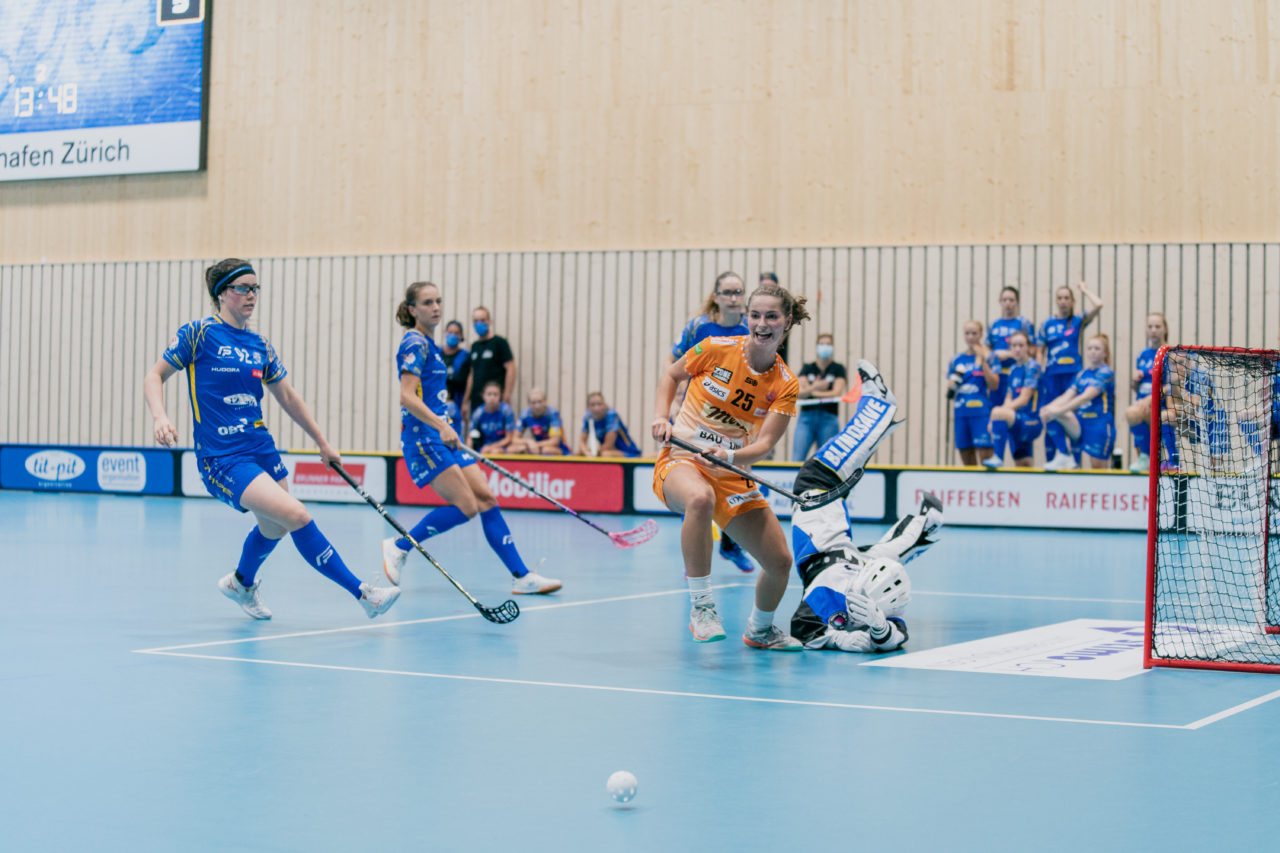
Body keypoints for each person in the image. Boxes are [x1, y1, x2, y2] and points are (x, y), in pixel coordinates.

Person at [142, 258, 401, 620]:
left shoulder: (259, 344)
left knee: (273, 526)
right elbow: (155, 375)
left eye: (255, 288)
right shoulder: (197, 333)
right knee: (296, 514)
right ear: (222, 294)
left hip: (261, 448)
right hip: (222, 458)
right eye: (243, 288)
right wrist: (160, 416)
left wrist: (322, 441)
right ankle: (363, 594)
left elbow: (288, 397)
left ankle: (240, 583)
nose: (252, 295)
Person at [650, 281, 810, 650]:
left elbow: (766, 443)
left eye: (771, 316)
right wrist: (662, 417)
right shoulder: (716, 348)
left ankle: (760, 629)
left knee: (781, 562)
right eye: (755, 315)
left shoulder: (785, 383)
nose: (761, 323)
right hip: (681, 459)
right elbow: (672, 375)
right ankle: (702, 608)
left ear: (786, 322)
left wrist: (732, 457)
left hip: (732, 472)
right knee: (699, 499)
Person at [383, 281, 561, 594]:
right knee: (466, 506)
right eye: (427, 303)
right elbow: (407, 397)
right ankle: (399, 545)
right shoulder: (414, 342)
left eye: (438, 301)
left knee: (486, 499)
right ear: (412, 310)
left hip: (442, 435)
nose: (436, 307)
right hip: (424, 438)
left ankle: (521, 576)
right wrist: (441, 425)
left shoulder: (430, 343)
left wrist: (445, 426)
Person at [667, 271, 757, 573]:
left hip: (734, 421)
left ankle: (731, 547)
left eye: (738, 292)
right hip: (696, 417)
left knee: (738, 483)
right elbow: (673, 364)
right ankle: (693, 558)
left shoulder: (750, 330)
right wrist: (677, 396)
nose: (734, 298)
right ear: (716, 296)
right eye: (728, 292)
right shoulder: (699, 327)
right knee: (694, 485)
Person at [1037, 283, 1104, 462]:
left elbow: (1098, 304)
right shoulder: (1047, 324)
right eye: (1060, 298)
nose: (1063, 301)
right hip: (1052, 376)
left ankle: (1075, 459)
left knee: (1071, 414)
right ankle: (1060, 454)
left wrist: (1084, 290)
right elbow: (1040, 350)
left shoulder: (1077, 320)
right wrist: (1039, 368)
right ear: (1056, 301)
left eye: (1067, 298)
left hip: (1073, 375)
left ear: (1072, 301)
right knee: (1050, 412)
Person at [1039, 334, 1116, 470]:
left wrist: (1059, 410)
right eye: (1090, 348)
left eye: (1097, 348)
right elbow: (1066, 396)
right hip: (1081, 423)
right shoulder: (1082, 374)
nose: (1092, 351)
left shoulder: (1106, 372)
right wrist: (1048, 408)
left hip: (1099, 424)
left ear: (1105, 353)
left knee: (1098, 467)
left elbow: (1085, 397)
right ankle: (1064, 455)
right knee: (1049, 413)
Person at [983, 331, 1043, 468]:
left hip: (1031, 421)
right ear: (1009, 348)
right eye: (1014, 345)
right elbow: (1008, 398)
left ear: (1028, 347)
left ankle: (998, 457)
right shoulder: (1013, 369)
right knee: (1024, 463)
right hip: (1017, 420)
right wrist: (998, 415)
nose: (1017, 349)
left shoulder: (1033, 366)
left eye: (1021, 345)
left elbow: (1024, 399)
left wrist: (997, 414)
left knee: (997, 412)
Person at [945, 320, 1000, 466]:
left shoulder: (990, 356)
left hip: (981, 413)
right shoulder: (957, 359)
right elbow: (950, 389)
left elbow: (994, 385)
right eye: (967, 333)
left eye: (974, 333)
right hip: (961, 412)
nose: (970, 337)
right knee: (966, 455)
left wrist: (983, 361)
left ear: (981, 334)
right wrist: (951, 385)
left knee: (985, 457)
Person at [1123, 313, 1168, 473]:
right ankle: (1146, 457)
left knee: (1132, 413)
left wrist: (1151, 398)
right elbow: (1137, 388)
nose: (1153, 330)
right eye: (1150, 327)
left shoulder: (1168, 354)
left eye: (1157, 326)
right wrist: (1135, 381)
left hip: (1158, 408)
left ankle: (1149, 457)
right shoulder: (1142, 355)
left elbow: (1171, 386)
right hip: (1141, 405)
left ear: (1165, 329)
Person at [792, 333, 848, 461]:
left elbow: (836, 393)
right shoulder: (807, 368)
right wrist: (816, 387)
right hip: (806, 418)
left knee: (828, 460)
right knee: (797, 459)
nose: (825, 347)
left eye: (828, 344)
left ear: (833, 347)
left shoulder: (838, 369)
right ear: (817, 346)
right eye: (822, 344)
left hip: (829, 418)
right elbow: (799, 393)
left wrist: (810, 391)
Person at [986, 286, 1037, 409]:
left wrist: (1009, 354)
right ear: (1000, 302)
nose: (1008, 303)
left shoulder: (1024, 323)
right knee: (995, 410)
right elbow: (986, 350)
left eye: (1011, 300)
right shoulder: (994, 324)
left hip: (1018, 374)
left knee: (1014, 411)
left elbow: (1033, 350)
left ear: (1017, 302)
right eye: (1004, 300)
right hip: (997, 376)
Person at [463, 305, 515, 423]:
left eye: (482, 320)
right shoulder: (475, 346)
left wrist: (507, 394)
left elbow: (511, 368)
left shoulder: (500, 342)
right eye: (476, 321)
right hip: (477, 400)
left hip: (495, 399)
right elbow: (472, 374)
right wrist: (465, 401)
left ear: (489, 321)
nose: (479, 323)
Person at [578, 392, 641, 457]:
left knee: (605, 454)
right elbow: (582, 442)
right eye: (593, 405)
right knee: (579, 453)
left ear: (605, 404)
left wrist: (594, 454)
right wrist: (586, 452)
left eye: (599, 404)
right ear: (588, 407)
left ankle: (641, 457)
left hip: (628, 451)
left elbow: (608, 445)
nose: (596, 408)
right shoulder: (588, 416)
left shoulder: (611, 414)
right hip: (609, 451)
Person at [469, 381, 519, 454]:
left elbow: (509, 439)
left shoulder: (506, 411)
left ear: (500, 396)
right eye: (489, 394)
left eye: (495, 394)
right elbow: (470, 436)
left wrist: (491, 447)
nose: (492, 397)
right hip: (484, 447)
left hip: (504, 446)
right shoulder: (478, 413)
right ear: (483, 396)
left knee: (496, 451)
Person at [517, 388, 570, 455]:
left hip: (558, 449)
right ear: (529, 404)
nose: (537, 406)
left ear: (545, 402)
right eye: (533, 403)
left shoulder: (553, 414)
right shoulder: (525, 414)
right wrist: (528, 441)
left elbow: (554, 441)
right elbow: (514, 439)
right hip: (538, 448)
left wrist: (536, 445)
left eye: (540, 401)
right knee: (517, 448)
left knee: (546, 450)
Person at [440, 319, 470, 415]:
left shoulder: (466, 356)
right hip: (436, 401)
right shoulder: (436, 353)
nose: (453, 335)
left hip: (457, 402)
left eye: (456, 333)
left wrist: (465, 402)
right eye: (450, 332)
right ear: (445, 333)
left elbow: (469, 380)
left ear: (461, 336)